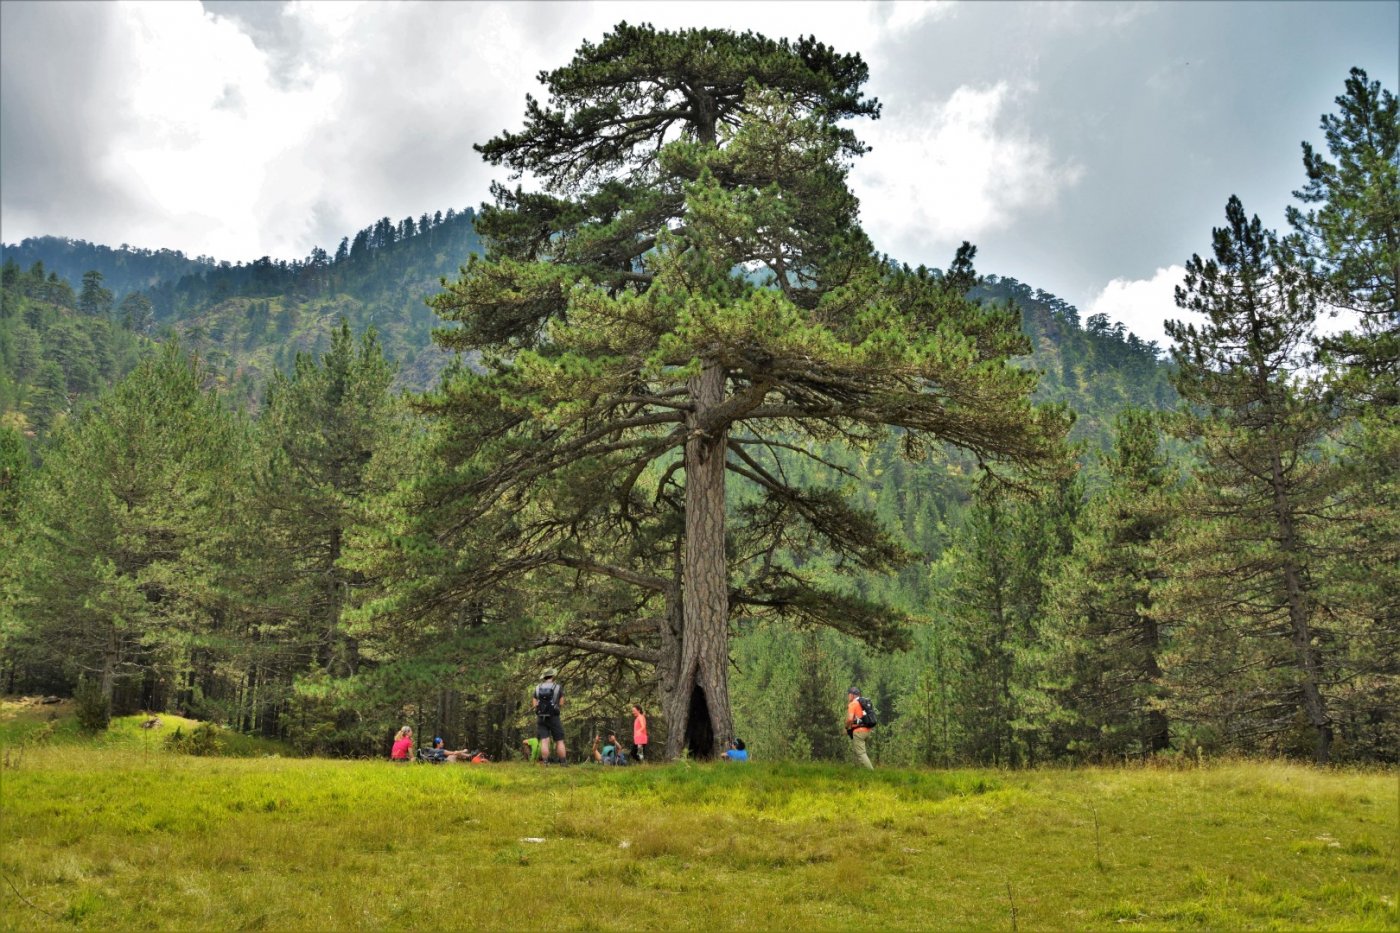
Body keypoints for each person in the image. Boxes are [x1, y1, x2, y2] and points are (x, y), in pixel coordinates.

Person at [531, 668, 567, 765]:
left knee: (544, 740)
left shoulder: (538, 687)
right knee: (559, 740)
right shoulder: (558, 687)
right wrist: (556, 708)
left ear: (544, 677)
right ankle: (563, 762)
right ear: (553, 676)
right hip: (554, 717)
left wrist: (539, 709)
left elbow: (534, 704)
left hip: (541, 717)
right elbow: (562, 702)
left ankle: (546, 762)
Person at [845, 687, 874, 770]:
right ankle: (856, 769)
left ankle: (871, 772)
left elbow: (850, 719)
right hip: (867, 730)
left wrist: (846, 727)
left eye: (849, 695)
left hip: (859, 732)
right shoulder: (863, 702)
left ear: (852, 695)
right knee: (857, 750)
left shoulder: (853, 704)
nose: (848, 696)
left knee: (861, 753)